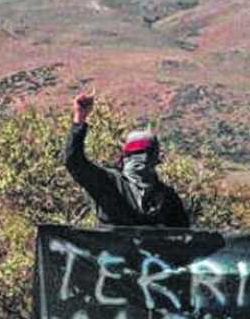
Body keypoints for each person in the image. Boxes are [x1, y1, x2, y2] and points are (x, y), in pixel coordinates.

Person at [63, 91, 189, 227]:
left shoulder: (108, 183)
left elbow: (74, 162)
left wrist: (79, 118)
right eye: (138, 154)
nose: (143, 160)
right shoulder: (109, 183)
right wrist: (79, 117)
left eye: (146, 154)